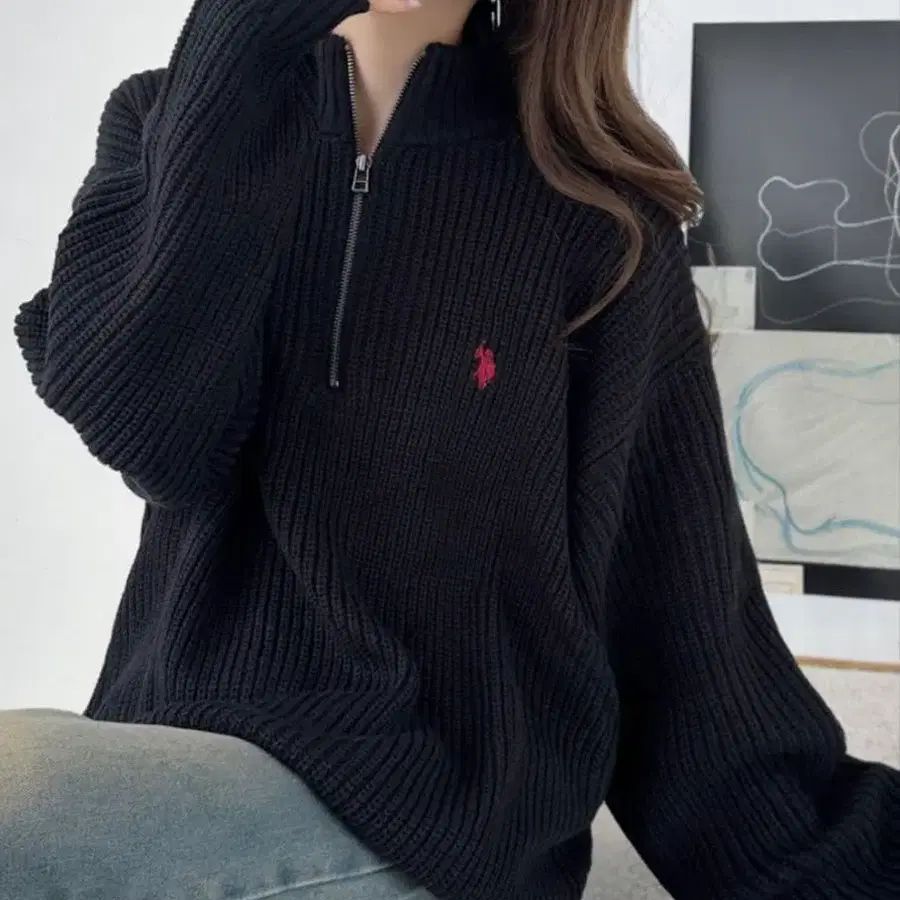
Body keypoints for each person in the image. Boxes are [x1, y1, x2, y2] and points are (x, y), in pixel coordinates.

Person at [3, 0, 899, 898]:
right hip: (169, 777)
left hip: (435, 827)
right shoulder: (169, 121)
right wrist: (235, 57)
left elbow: (678, 624)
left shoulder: (597, 215)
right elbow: (148, 432)